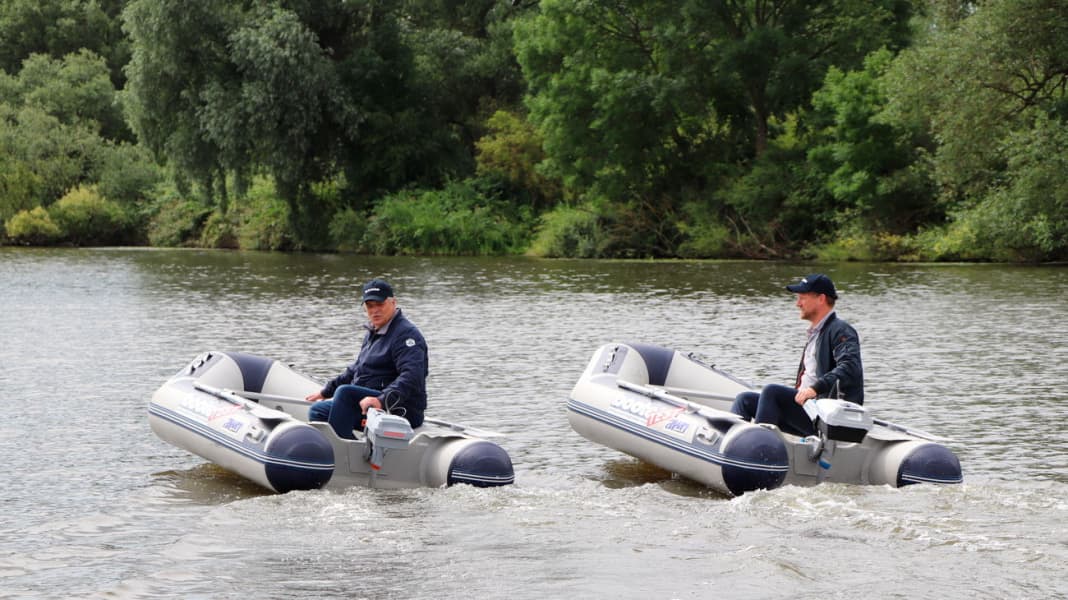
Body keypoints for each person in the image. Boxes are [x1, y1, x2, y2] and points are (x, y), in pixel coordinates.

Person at [731, 273, 863, 437]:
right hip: (808, 408)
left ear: (821, 299)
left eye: (802, 298)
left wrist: (815, 389)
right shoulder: (817, 333)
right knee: (744, 400)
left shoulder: (841, 330)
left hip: (828, 416)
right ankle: (735, 445)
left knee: (772, 392)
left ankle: (760, 446)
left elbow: (850, 367)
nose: (797, 304)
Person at [306, 278, 428, 439]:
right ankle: (354, 453)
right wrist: (326, 391)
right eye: (370, 306)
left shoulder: (406, 335)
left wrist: (382, 400)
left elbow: (412, 376)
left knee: (345, 393)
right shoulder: (374, 332)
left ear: (393, 303)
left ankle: (346, 456)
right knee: (318, 411)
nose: (375, 310)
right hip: (369, 403)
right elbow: (357, 369)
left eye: (380, 304)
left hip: (400, 408)